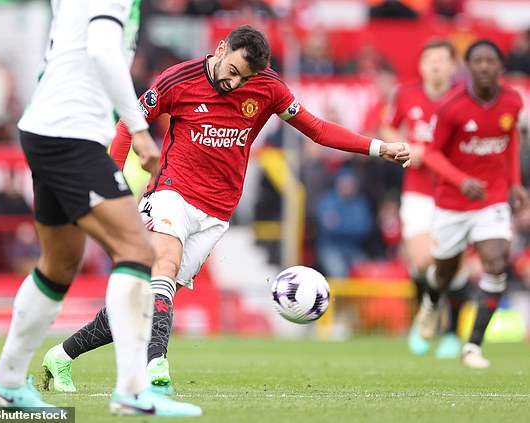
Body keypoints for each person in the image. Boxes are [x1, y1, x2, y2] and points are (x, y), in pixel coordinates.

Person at [41, 24, 411, 394]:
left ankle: (61, 356)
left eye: (244, 78)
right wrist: (109, 190)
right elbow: (127, 127)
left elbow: (315, 129)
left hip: (217, 213)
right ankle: (156, 368)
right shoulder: (178, 79)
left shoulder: (268, 88)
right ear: (220, 49)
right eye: (232, 71)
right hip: (171, 192)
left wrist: (379, 147)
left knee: (144, 302)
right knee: (164, 267)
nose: (234, 84)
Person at [0, 0, 202, 417]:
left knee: (60, 263)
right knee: (138, 251)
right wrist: (139, 129)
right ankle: (133, 390)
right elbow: (102, 48)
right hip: (71, 134)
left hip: (47, 128)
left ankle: (7, 382)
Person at [415, 39, 530, 368]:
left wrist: (515, 183)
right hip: (452, 203)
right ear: (467, 67)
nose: (483, 66)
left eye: (489, 61)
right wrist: (460, 180)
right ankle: (431, 301)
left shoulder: (512, 101)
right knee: (445, 272)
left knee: (496, 263)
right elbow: (432, 153)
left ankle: (474, 346)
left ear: (500, 67)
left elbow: (509, 141)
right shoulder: (452, 106)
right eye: (477, 60)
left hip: (491, 199)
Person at [381, 40, 471, 359]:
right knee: (423, 261)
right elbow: (387, 127)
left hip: (452, 192)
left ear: (452, 66)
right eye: (428, 59)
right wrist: (404, 146)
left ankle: (451, 333)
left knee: (456, 267)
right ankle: (427, 311)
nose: (434, 65)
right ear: (420, 66)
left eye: (441, 60)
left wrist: (432, 156)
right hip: (418, 191)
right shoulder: (406, 93)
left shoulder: (464, 99)